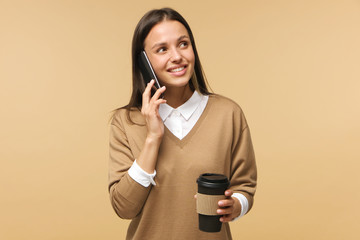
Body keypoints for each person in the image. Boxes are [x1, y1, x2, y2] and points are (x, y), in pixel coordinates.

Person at [108, 8, 257, 240]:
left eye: (183, 44)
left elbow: (245, 187)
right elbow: (123, 207)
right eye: (162, 49)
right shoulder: (126, 122)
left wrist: (236, 205)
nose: (177, 56)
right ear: (144, 61)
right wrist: (153, 138)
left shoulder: (228, 114)